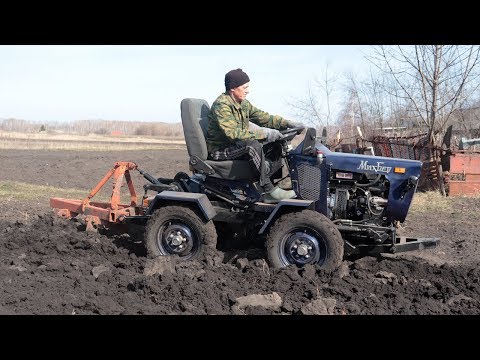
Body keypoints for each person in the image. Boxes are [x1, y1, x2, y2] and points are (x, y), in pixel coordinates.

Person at [205, 68, 304, 203]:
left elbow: (264, 118)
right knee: (252, 145)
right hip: (219, 150)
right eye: (244, 87)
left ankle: (273, 183)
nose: (248, 90)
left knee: (276, 144)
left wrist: (287, 123)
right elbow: (234, 134)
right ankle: (268, 191)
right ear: (233, 88)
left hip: (235, 147)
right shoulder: (222, 105)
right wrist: (265, 133)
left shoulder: (243, 104)